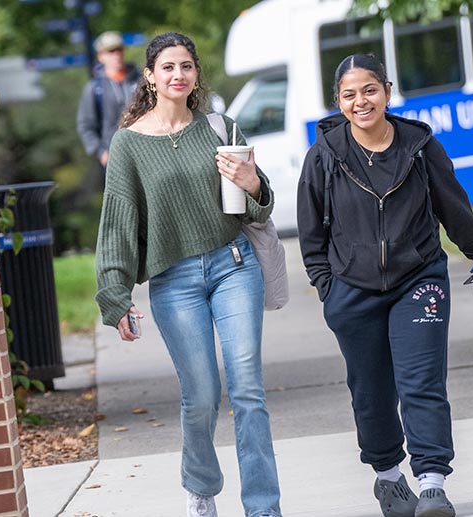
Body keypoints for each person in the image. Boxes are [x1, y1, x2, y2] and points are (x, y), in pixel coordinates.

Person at [296, 53, 473, 517]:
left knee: (422, 382)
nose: (360, 101)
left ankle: (432, 484)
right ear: (338, 101)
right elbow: (311, 231)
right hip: (351, 289)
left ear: (387, 90)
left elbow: (454, 207)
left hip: (419, 278)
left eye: (369, 90)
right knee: (370, 391)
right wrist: (327, 286)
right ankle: (388, 477)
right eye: (349, 94)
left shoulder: (420, 146)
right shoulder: (324, 156)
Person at [95, 32, 281, 517]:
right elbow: (117, 221)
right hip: (174, 283)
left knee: (247, 389)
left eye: (187, 66)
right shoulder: (128, 145)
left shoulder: (220, 127)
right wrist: (114, 296)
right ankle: (201, 487)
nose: (179, 75)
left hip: (234, 266)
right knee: (201, 395)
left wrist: (254, 183)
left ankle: (263, 508)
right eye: (169, 67)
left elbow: (259, 211)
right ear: (151, 77)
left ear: (196, 74)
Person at [76, 31, 141, 202]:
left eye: (119, 49)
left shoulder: (142, 80)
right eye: (110, 51)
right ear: (100, 56)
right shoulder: (94, 88)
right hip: (115, 160)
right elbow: (85, 125)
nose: (116, 55)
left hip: (146, 153)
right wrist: (101, 153)